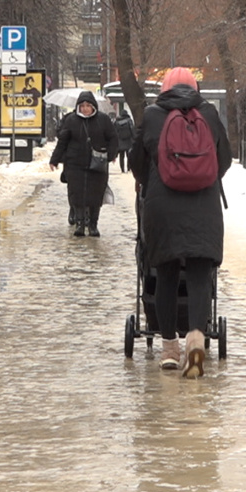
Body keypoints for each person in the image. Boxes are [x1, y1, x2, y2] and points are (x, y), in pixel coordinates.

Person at [130, 67, 232, 377]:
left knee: (167, 275)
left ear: (163, 89)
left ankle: (169, 348)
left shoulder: (151, 116)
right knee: (201, 274)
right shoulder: (209, 115)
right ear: (195, 87)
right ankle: (197, 339)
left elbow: (136, 163)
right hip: (204, 208)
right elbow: (224, 159)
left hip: (163, 209)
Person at [49, 90, 118, 237]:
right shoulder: (71, 120)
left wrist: (111, 154)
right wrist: (54, 159)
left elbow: (112, 138)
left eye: (88, 105)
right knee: (77, 194)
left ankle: (93, 225)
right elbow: (63, 141)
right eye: (83, 105)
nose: (85, 108)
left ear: (93, 106)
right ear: (78, 107)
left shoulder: (103, 120)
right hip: (75, 164)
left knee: (95, 195)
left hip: (97, 164)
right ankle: (79, 224)